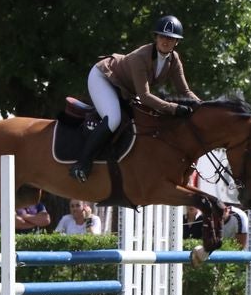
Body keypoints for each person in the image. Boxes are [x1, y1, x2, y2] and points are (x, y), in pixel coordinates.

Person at [69, 15, 203, 182]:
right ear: (156, 37)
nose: (165, 41)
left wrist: (203, 107)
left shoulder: (174, 60)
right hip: (104, 78)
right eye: (162, 36)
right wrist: (173, 108)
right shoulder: (141, 56)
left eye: (171, 38)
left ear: (177, 42)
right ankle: (81, 164)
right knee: (113, 119)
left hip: (124, 89)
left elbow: (185, 91)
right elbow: (145, 96)